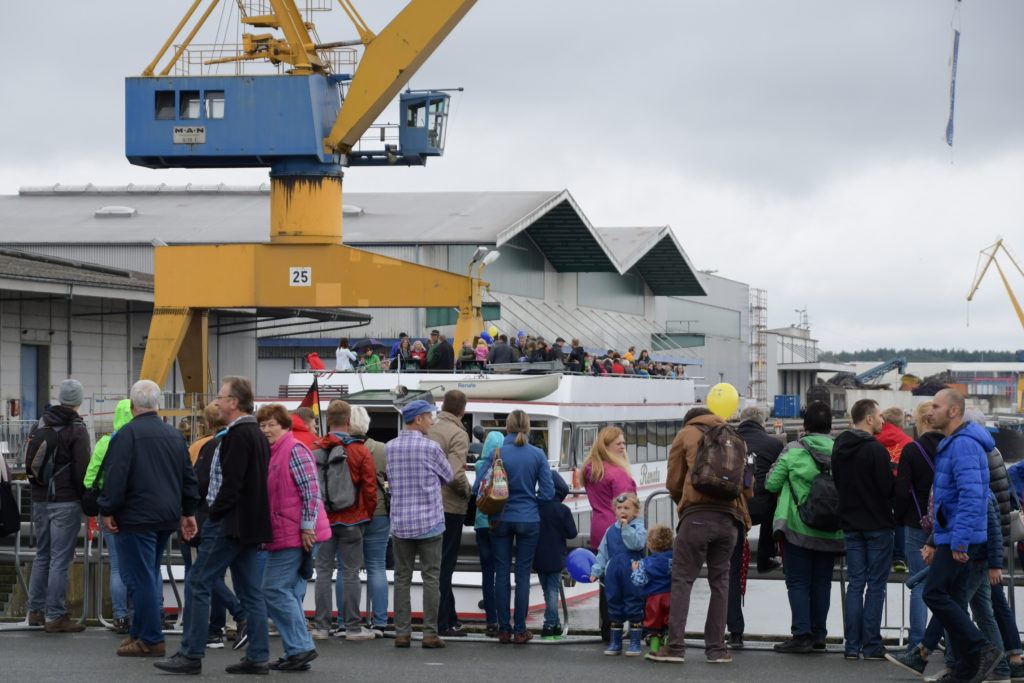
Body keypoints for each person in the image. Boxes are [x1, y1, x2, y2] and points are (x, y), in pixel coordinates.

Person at [155, 376, 274, 675]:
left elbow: (231, 485)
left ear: (234, 402)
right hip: (251, 524)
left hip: (228, 523)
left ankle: (191, 653)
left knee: (197, 582)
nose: (217, 402)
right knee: (250, 591)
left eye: (221, 397)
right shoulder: (257, 434)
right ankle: (258, 655)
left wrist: (215, 513)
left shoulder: (236, 436)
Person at [98, 379, 200, 658]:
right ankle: (139, 634)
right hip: (166, 517)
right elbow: (188, 478)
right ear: (158, 405)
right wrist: (188, 512)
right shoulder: (175, 436)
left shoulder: (125, 436)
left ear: (132, 406)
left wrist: (107, 510)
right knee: (149, 573)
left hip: (135, 517)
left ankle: (151, 638)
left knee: (138, 577)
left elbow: (116, 478)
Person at [647, 407, 753, 665]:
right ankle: (717, 649)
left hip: (696, 518)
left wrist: (685, 502)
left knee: (682, 580)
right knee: (720, 582)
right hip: (730, 520)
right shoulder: (737, 438)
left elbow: (673, 482)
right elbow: (748, 486)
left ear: (690, 420)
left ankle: (674, 647)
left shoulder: (686, 434)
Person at [922, 389, 1004, 683]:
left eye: (935, 406)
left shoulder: (963, 445)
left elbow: (972, 497)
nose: (929, 412)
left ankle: (981, 648)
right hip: (953, 534)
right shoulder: (952, 443)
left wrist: (958, 540)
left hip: (958, 536)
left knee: (933, 593)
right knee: (954, 600)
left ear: (953, 411)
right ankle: (965, 669)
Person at [255, 403, 332, 668]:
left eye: (271, 424)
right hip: (287, 531)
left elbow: (311, 491)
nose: (266, 430)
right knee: (284, 591)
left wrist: (307, 527)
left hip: (296, 531)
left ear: (285, 426)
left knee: (274, 589)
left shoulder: (294, 449)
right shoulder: (273, 451)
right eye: (262, 425)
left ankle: (300, 648)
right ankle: (296, 652)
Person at [765, 402, 843, 654]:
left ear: (804, 426)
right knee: (823, 582)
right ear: (831, 426)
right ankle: (819, 633)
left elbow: (771, 483)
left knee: (798, 582)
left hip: (797, 528)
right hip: (832, 528)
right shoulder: (841, 451)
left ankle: (801, 635)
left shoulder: (793, 450)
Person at [476, 409, 554, 643]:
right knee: (522, 576)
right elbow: (548, 492)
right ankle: (520, 630)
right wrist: (531, 503)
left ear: (507, 428)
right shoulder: (538, 454)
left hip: (500, 519)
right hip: (529, 520)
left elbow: (477, 487)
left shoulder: (497, 452)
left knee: (501, 574)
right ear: (528, 428)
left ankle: (503, 629)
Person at [831, 398, 896, 661]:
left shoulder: (839, 448)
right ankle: (871, 645)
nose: (883, 420)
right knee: (876, 586)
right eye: (880, 415)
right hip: (878, 525)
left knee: (855, 584)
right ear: (868, 419)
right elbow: (887, 490)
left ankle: (851, 645)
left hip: (850, 525)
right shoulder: (876, 451)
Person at [386, 399, 453, 649]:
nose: (432, 421)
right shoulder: (431, 448)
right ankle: (429, 633)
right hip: (429, 521)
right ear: (419, 419)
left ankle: (402, 634)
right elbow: (448, 476)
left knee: (402, 578)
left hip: (401, 522)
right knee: (431, 578)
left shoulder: (390, 448)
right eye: (429, 417)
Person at [27, 378, 91, 633]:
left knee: (42, 555)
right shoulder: (76, 428)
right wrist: (85, 498)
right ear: (78, 401)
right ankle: (55, 615)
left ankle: (35, 611)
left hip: (38, 499)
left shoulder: (39, 423)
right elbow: (81, 469)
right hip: (64, 501)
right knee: (60, 559)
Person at [312, 400, 378, 641]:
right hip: (352, 519)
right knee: (350, 573)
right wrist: (366, 516)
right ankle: (352, 628)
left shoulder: (315, 448)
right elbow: (370, 489)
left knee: (322, 573)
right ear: (349, 421)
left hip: (323, 521)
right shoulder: (360, 450)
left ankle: (320, 627)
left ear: (328, 420)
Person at [187, 403, 248, 651]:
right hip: (239, 521)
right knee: (225, 576)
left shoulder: (204, 445)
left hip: (207, 517)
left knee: (201, 575)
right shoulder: (242, 441)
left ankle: (218, 628)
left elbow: (197, 484)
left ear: (208, 423)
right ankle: (225, 626)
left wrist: (186, 512)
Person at [893, 400, 941, 655]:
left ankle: (917, 647)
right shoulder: (950, 446)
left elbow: (902, 491)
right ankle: (952, 646)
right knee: (947, 589)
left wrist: (898, 519)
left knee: (919, 585)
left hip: (915, 523)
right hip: (944, 527)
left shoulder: (912, 450)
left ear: (921, 422)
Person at [582, 426, 637, 641]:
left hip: (598, 529)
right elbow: (628, 508)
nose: (623, 447)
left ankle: (607, 629)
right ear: (606, 447)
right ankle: (622, 628)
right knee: (625, 584)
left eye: (624, 443)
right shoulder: (618, 474)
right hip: (618, 531)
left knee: (606, 584)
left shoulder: (591, 469)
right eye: (618, 444)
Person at [83, 398, 133, 635]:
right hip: (136, 510)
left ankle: (121, 617)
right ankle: (154, 613)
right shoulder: (138, 441)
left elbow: (88, 478)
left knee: (117, 567)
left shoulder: (105, 443)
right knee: (147, 566)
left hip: (108, 509)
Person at [427, 390, 473, 638]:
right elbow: (455, 474)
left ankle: (450, 617)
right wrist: (468, 492)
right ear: (462, 411)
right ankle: (442, 622)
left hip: (428, 504)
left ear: (443, 406)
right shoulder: (458, 433)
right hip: (450, 507)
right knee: (445, 566)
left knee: (434, 565)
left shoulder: (430, 428)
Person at [349, 406, 390, 634]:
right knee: (377, 567)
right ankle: (380, 621)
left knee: (347, 569)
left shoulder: (341, 449)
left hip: (349, 514)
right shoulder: (382, 449)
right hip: (379, 512)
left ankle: (346, 622)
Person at [589, 492, 646, 656]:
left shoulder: (638, 528)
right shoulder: (610, 531)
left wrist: (626, 528)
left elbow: (636, 544)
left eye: (627, 508)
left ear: (636, 511)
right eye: (619, 508)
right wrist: (596, 571)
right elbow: (602, 553)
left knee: (634, 604)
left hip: (632, 573)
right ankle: (616, 642)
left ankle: (635, 643)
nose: (622, 511)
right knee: (613, 606)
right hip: (613, 573)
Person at [735, 405, 784, 574]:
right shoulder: (774, 443)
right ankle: (766, 557)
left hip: (733, 508)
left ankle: (735, 558)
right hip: (762, 509)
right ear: (763, 424)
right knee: (774, 499)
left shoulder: (730, 441)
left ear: (741, 422)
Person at [533, 474, 577, 641]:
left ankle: (556, 623)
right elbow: (572, 533)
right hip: (556, 557)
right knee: (553, 591)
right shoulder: (562, 510)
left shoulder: (536, 506)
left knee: (547, 591)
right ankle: (549, 625)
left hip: (537, 556)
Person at [474, 431, 505, 637]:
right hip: (497, 523)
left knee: (487, 573)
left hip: (480, 523)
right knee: (501, 572)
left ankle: (490, 621)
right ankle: (503, 621)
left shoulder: (478, 466)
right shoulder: (502, 466)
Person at [877, 407, 913, 573]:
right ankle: (899, 557)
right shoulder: (908, 442)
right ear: (901, 423)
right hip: (900, 486)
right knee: (899, 521)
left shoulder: (873, 438)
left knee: (879, 517)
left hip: (878, 486)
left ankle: (879, 555)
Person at [630, 524, 674, 658]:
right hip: (671, 596)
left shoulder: (646, 562)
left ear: (651, 544)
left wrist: (635, 570)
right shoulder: (675, 559)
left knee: (653, 626)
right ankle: (668, 645)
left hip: (653, 599)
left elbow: (640, 581)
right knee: (669, 623)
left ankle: (654, 651)